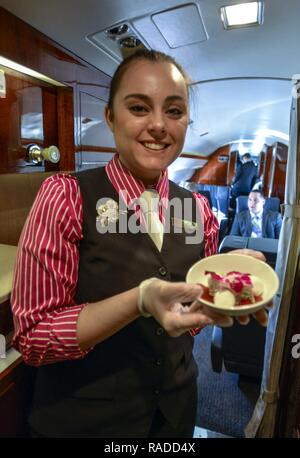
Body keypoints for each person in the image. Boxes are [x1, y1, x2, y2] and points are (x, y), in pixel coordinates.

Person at [11, 49, 269, 438]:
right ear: (110, 117)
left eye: (175, 111)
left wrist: (220, 293)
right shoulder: (65, 196)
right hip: (84, 421)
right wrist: (140, 299)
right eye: (138, 108)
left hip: (176, 415)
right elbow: (33, 337)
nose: (159, 126)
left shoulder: (198, 208)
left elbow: (191, 321)